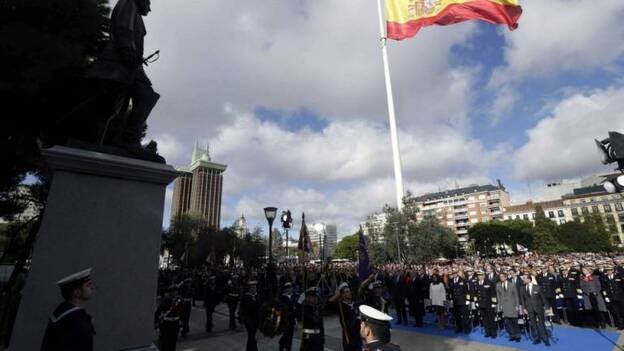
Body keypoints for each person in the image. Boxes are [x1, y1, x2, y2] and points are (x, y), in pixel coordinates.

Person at [41, 268, 96, 351]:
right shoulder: (76, 321)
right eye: (88, 285)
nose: (92, 287)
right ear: (77, 292)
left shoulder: (63, 313)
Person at [519, 272, 550, 346]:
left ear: (529, 279)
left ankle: (546, 339)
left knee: (541, 324)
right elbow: (522, 300)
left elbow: (543, 298)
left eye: (525, 278)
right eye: (523, 278)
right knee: (533, 324)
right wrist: (524, 308)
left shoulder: (537, 287)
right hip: (529, 309)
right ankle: (536, 338)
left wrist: (547, 307)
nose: (523, 280)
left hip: (538, 308)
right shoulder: (522, 288)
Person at [330, 282, 362, 351]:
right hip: (348, 337)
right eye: (346, 292)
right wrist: (335, 296)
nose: (349, 293)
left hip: (358, 336)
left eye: (349, 291)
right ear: (342, 295)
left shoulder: (354, 303)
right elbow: (328, 304)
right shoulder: (341, 306)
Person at [155, 285, 183, 351]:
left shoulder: (179, 301)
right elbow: (157, 312)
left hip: (175, 324)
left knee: (173, 343)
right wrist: (157, 325)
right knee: (165, 343)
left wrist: (181, 322)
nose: (176, 293)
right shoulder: (165, 301)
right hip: (166, 325)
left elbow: (181, 312)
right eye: (174, 291)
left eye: (176, 291)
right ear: (170, 292)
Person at [496, 271, 520, 342]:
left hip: (512, 305)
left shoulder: (512, 284)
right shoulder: (498, 285)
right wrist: (500, 305)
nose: (501, 278)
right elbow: (498, 296)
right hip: (504, 306)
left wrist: (517, 305)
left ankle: (517, 336)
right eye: (500, 277)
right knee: (508, 323)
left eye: (503, 277)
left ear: (506, 277)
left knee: (514, 322)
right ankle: (512, 335)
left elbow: (516, 296)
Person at [298, 287, 325, 351]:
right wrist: (299, 302)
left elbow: (321, 324)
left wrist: (322, 336)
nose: (315, 299)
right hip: (308, 337)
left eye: (316, 297)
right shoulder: (305, 309)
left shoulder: (318, 308)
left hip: (318, 338)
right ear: (307, 298)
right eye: (312, 297)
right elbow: (298, 315)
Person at [474, 270, 497, 338]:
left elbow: (493, 293)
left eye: (481, 275)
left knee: (491, 319)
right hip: (481, 304)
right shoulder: (476, 283)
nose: (479, 276)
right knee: (485, 320)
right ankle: (487, 332)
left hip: (489, 304)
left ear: (484, 275)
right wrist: (476, 302)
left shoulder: (489, 283)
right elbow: (475, 294)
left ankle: (493, 333)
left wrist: (494, 303)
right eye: (478, 275)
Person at [239, 280, 260, 351]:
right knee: (251, 337)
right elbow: (241, 309)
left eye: (255, 287)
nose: (254, 288)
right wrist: (241, 320)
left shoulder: (257, 296)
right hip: (249, 321)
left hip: (256, 321)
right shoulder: (245, 297)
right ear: (249, 288)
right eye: (252, 287)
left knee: (252, 337)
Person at [449, 269, 471, 334]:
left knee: (465, 316)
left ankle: (467, 329)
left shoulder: (462, 280)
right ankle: (459, 328)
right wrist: (450, 299)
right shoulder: (451, 280)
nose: (454, 274)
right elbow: (451, 291)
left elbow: (467, 291)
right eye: (453, 273)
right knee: (457, 316)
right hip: (455, 301)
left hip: (463, 301)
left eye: (455, 273)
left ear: (457, 273)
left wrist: (467, 300)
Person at [279, 282, 297, 351]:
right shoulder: (283, 297)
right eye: (289, 288)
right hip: (286, 319)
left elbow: (294, 308)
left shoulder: (293, 296)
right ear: (286, 289)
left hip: (292, 319)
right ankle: (282, 344)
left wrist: (295, 320)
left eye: (291, 288)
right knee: (286, 334)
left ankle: (288, 348)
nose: (290, 289)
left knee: (290, 335)